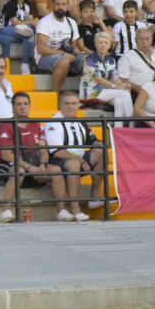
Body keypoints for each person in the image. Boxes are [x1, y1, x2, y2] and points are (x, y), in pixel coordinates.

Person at [44, 91, 104, 222]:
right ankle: (76, 209)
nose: (71, 107)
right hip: (58, 162)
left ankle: (94, 197)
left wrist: (98, 144)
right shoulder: (52, 123)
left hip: (79, 159)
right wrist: (82, 161)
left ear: (78, 106)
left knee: (102, 153)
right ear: (60, 105)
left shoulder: (80, 122)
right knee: (74, 164)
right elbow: (57, 152)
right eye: (67, 104)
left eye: (74, 103)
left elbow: (92, 139)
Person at [0, 91, 51, 222]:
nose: (23, 107)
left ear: (30, 106)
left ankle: (62, 211)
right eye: (19, 104)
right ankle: (5, 211)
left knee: (56, 171)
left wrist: (42, 165)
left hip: (31, 163)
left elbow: (43, 150)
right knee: (19, 171)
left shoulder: (36, 125)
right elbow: (7, 155)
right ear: (13, 108)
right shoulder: (6, 126)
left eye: (25, 104)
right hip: (6, 163)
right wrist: (30, 167)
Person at [35, 0, 85, 99]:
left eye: (63, 4)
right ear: (52, 5)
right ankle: (55, 97)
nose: (60, 7)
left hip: (67, 56)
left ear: (68, 6)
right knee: (64, 61)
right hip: (45, 58)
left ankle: (85, 97)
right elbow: (40, 49)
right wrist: (63, 54)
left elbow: (74, 46)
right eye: (57, 4)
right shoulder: (45, 22)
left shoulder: (71, 22)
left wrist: (76, 50)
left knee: (88, 61)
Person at [82, 32, 134, 126]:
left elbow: (114, 76)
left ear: (109, 45)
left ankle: (119, 130)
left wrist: (122, 85)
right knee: (125, 93)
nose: (103, 45)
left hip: (106, 91)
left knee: (119, 100)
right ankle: (132, 124)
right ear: (96, 44)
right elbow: (99, 80)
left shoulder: (111, 59)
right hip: (92, 92)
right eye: (100, 42)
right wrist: (117, 87)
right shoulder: (90, 60)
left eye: (106, 42)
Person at [116, 26, 155, 95]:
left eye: (147, 39)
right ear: (135, 40)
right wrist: (137, 88)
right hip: (139, 93)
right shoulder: (127, 57)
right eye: (141, 39)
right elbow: (121, 79)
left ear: (151, 40)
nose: (144, 42)